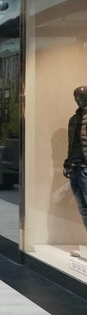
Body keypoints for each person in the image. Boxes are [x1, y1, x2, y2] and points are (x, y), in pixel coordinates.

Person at [63, 86, 87, 232]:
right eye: (76, 97)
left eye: (81, 97)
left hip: (85, 169)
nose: (78, 100)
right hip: (74, 168)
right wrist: (68, 163)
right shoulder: (73, 119)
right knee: (83, 210)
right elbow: (71, 143)